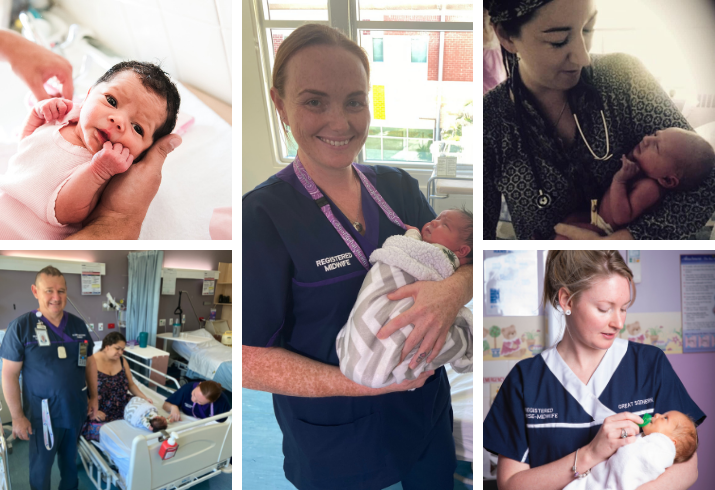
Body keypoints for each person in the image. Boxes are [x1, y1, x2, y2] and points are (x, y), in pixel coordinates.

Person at [242, 23, 473, 490]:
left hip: (424, 415)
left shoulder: (398, 187)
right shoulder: (263, 217)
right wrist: (364, 382)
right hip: (335, 441)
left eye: (354, 100)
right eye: (313, 101)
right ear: (280, 104)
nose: (341, 122)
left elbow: (466, 257)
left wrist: (452, 293)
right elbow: (249, 360)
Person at [483, 0, 715, 239]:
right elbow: (479, 238)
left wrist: (623, 240)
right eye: (559, 40)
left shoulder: (624, 78)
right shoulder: (490, 121)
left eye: (587, 29)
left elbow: (708, 185)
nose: (584, 58)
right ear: (507, 36)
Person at [483, 251, 705, 490]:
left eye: (623, 308)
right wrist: (590, 453)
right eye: (604, 308)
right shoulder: (525, 380)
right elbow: (510, 484)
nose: (618, 323)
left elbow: (687, 465)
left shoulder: (650, 364)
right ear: (567, 300)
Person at [0, 29, 182, 240]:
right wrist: (37, 116)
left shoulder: (105, 168)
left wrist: (100, 171)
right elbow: (24, 153)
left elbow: (65, 213)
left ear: (143, 152)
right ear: (88, 95)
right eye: (112, 101)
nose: (119, 121)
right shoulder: (65, 119)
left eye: (138, 128)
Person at [337, 208, 473, 388]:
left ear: (462, 250)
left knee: (429, 339)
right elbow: (408, 249)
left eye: (444, 224)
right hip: (387, 299)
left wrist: (412, 234)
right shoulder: (422, 248)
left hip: (424, 398)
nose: (433, 222)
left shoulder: (442, 255)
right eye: (436, 218)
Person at [0, 266, 97, 490]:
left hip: (74, 409)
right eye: (49, 291)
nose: (56, 297)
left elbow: (89, 362)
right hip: (41, 414)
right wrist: (16, 417)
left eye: (61, 291)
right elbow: (9, 375)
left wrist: (94, 397)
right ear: (35, 291)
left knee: (70, 464)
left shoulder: (78, 325)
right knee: (41, 467)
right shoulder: (21, 328)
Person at [557, 128, 715, 237]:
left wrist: (619, 180)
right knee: (569, 220)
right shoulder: (643, 174)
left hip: (603, 228)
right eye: (655, 134)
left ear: (667, 180)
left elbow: (621, 217)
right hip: (595, 215)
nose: (646, 139)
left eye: (656, 146)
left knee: (566, 235)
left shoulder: (649, 188)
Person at [564, 411, 698, 490]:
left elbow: (628, 463)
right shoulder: (644, 439)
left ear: (671, 441)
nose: (657, 414)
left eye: (665, 418)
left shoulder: (659, 451)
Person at [81, 332, 154, 442]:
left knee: (147, 412)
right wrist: (93, 410)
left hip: (122, 403)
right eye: (117, 348)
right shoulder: (90, 362)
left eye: (122, 349)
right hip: (100, 408)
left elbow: (131, 384)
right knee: (106, 433)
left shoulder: (122, 360)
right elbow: (82, 390)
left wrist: (144, 398)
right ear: (107, 346)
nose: (120, 352)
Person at [163, 380, 230, 423]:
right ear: (199, 384)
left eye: (199, 401)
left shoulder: (222, 403)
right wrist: (173, 407)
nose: (193, 400)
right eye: (194, 394)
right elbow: (165, 405)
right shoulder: (187, 388)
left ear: (212, 401)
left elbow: (227, 423)